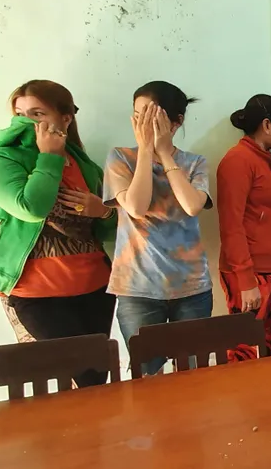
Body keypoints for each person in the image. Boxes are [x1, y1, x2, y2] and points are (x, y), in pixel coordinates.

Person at [0, 80, 116, 387]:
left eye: (38, 113)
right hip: (34, 293)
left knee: (95, 380)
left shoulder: (85, 165)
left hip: (94, 286)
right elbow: (32, 208)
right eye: (20, 113)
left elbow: (107, 230)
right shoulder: (0, 160)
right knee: (67, 379)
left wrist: (104, 211)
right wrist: (50, 156)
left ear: (65, 118)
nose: (27, 122)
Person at [103, 81, 212, 376]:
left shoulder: (195, 163)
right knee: (147, 376)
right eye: (138, 115)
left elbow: (192, 206)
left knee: (193, 373)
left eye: (152, 116)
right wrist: (145, 151)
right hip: (137, 288)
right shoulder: (120, 158)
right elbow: (136, 207)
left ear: (176, 122)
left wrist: (164, 154)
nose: (143, 124)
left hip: (192, 288)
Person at [217, 94, 271, 359]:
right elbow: (231, 224)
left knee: (269, 348)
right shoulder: (238, 160)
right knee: (246, 352)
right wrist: (246, 280)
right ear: (267, 125)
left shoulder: (265, 160)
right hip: (252, 273)